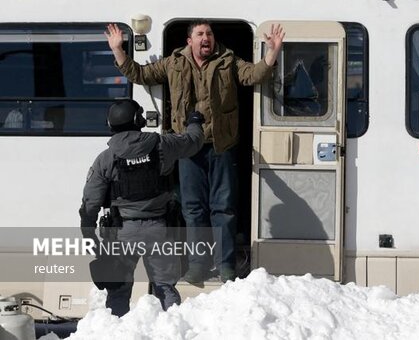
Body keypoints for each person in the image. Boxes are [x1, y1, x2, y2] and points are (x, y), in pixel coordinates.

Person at [105, 21, 285, 284]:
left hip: (221, 146)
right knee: (192, 209)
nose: (206, 38)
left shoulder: (228, 60)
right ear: (189, 40)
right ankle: (198, 265)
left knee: (223, 208)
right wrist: (118, 50)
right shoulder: (173, 62)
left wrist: (272, 53)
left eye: (210, 34)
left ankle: (225, 266)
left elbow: (254, 75)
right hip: (187, 147)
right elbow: (141, 75)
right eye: (200, 34)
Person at [79, 99, 205, 316]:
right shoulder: (163, 144)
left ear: (111, 124)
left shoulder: (106, 158)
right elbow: (194, 141)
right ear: (139, 120)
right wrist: (195, 121)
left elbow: (91, 201)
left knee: (118, 291)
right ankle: (172, 330)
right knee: (165, 288)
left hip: (121, 234)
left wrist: (88, 230)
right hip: (161, 229)